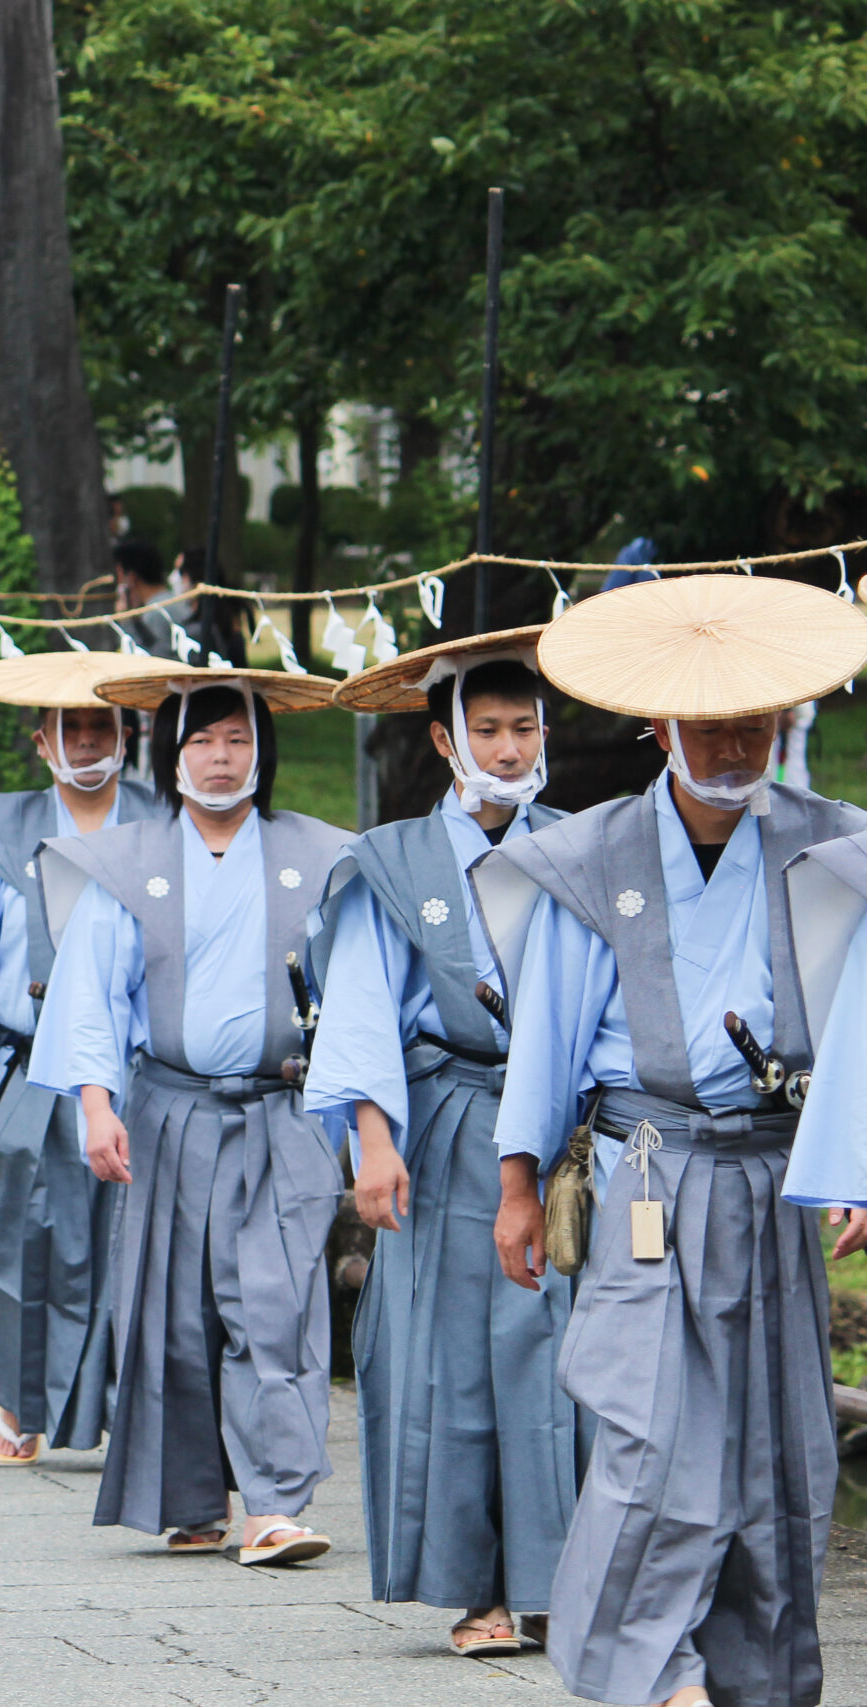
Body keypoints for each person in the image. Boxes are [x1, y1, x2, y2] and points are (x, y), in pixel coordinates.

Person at [483, 575, 867, 1707]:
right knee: (650, 1432)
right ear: (660, 725)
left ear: (783, 721)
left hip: (775, 1177)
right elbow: (546, 1035)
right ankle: (647, 1668)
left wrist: (852, 1166)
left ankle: (754, 1675)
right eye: (709, 725)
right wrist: (517, 1184)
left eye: (753, 722)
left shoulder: (834, 845)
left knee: (778, 1440)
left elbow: (858, 1021)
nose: (734, 744)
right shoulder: (592, 856)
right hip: (650, 1172)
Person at [28, 665, 350, 1565]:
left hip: (280, 1109)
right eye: (202, 739)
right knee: (172, 1310)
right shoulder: (129, 861)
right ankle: (191, 1498)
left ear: (263, 750)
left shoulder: (320, 855)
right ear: (170, 755)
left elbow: (356, 991)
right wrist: (97, 1105)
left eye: (238, 739)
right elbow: (91, 991)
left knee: (275, 1303)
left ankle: (275, 1502)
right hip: (168, 1106)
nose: (220, 757)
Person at [304, 635, 575, 1657]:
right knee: (454, 1358)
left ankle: (558, 1581)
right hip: (449, 1118)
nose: (508, 749)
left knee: (559, 1351)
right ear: (443, 740)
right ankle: (476, 1591)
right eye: (487, 730)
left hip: (563, 1131)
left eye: (524, 728)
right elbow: (360, 1006)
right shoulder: (392, 861)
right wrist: (373, 1143)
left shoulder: (577, 846)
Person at [0, 650, 160, 1464]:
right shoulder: (3, 835)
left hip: (136, 1068)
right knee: (23, 1233)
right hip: (30, 1060)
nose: (88, 740)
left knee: (128, 1239)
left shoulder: (163, 825)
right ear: (42, 741)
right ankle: (19, 1402)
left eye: (102, 725)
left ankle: (127, 1409)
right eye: (72, 727)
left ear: (127, 736)